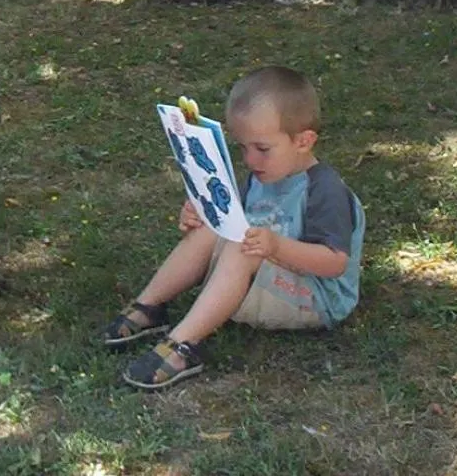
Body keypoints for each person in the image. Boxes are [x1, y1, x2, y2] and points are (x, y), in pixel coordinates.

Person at [100, 66, 365, 391]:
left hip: (316, 297)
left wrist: (276, 247)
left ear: (304, 141)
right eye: (243, 148)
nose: (250, 160)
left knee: (243, 248)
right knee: (219, 227)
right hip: (263, 273)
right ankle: (150, 306)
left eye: (262, 148)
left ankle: (183, 344)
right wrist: (200, 217)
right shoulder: (261, 175)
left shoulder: (324, 188)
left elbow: (335, 263)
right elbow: (231, 222)